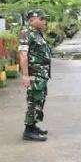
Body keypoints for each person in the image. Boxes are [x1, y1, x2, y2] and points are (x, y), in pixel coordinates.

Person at [19, 9, 52, 142]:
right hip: (34, 75)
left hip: (41, 75)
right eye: (42, 19)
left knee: (39, 100)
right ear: (33, 19)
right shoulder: (26, 33)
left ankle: (33, 126)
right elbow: (23, 55)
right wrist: (25, 75)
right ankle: (28, 130)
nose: (45, 21)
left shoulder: (38, 33)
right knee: (33, 100)